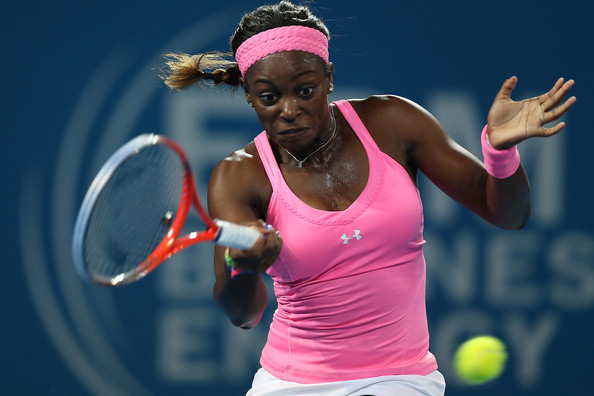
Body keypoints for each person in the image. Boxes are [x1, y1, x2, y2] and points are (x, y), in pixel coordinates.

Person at [159, 1, 576, 395]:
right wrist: (245, 269)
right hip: (291, 384)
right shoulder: (238, 175)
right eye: (269, 98)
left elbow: (508, 215)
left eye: (305, 91)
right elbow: (243, 315)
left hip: (400, 380)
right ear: (249, 95)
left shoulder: (393, 122)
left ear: (329, 78)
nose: (289, 110)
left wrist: (500, 153)